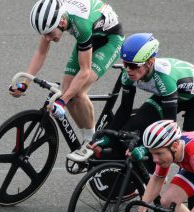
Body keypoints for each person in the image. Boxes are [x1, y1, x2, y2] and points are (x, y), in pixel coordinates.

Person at [75, 33, 194, 163]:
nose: (128, 69)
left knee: (189, 150)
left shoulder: (164, 79)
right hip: (167, 95)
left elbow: (169, 127)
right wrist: (109, 136)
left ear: (150, 62)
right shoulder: (128, 75)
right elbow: (124, 109)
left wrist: (146, 149)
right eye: (125, 63)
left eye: (134, 65)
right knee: (134, 125)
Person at [11, 0, 124, 161]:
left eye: (49, 34)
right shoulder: (52, 21)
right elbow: (41, 53)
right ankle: (86, 136)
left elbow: (85, 71)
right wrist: (25, 82)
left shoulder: (81, 26)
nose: (47, 38)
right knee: (67, 89)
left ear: (62, 21)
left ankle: (91, 141)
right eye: (43, 34)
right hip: (89, 35)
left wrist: (63, 101)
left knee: (76, 91)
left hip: (109, 40)